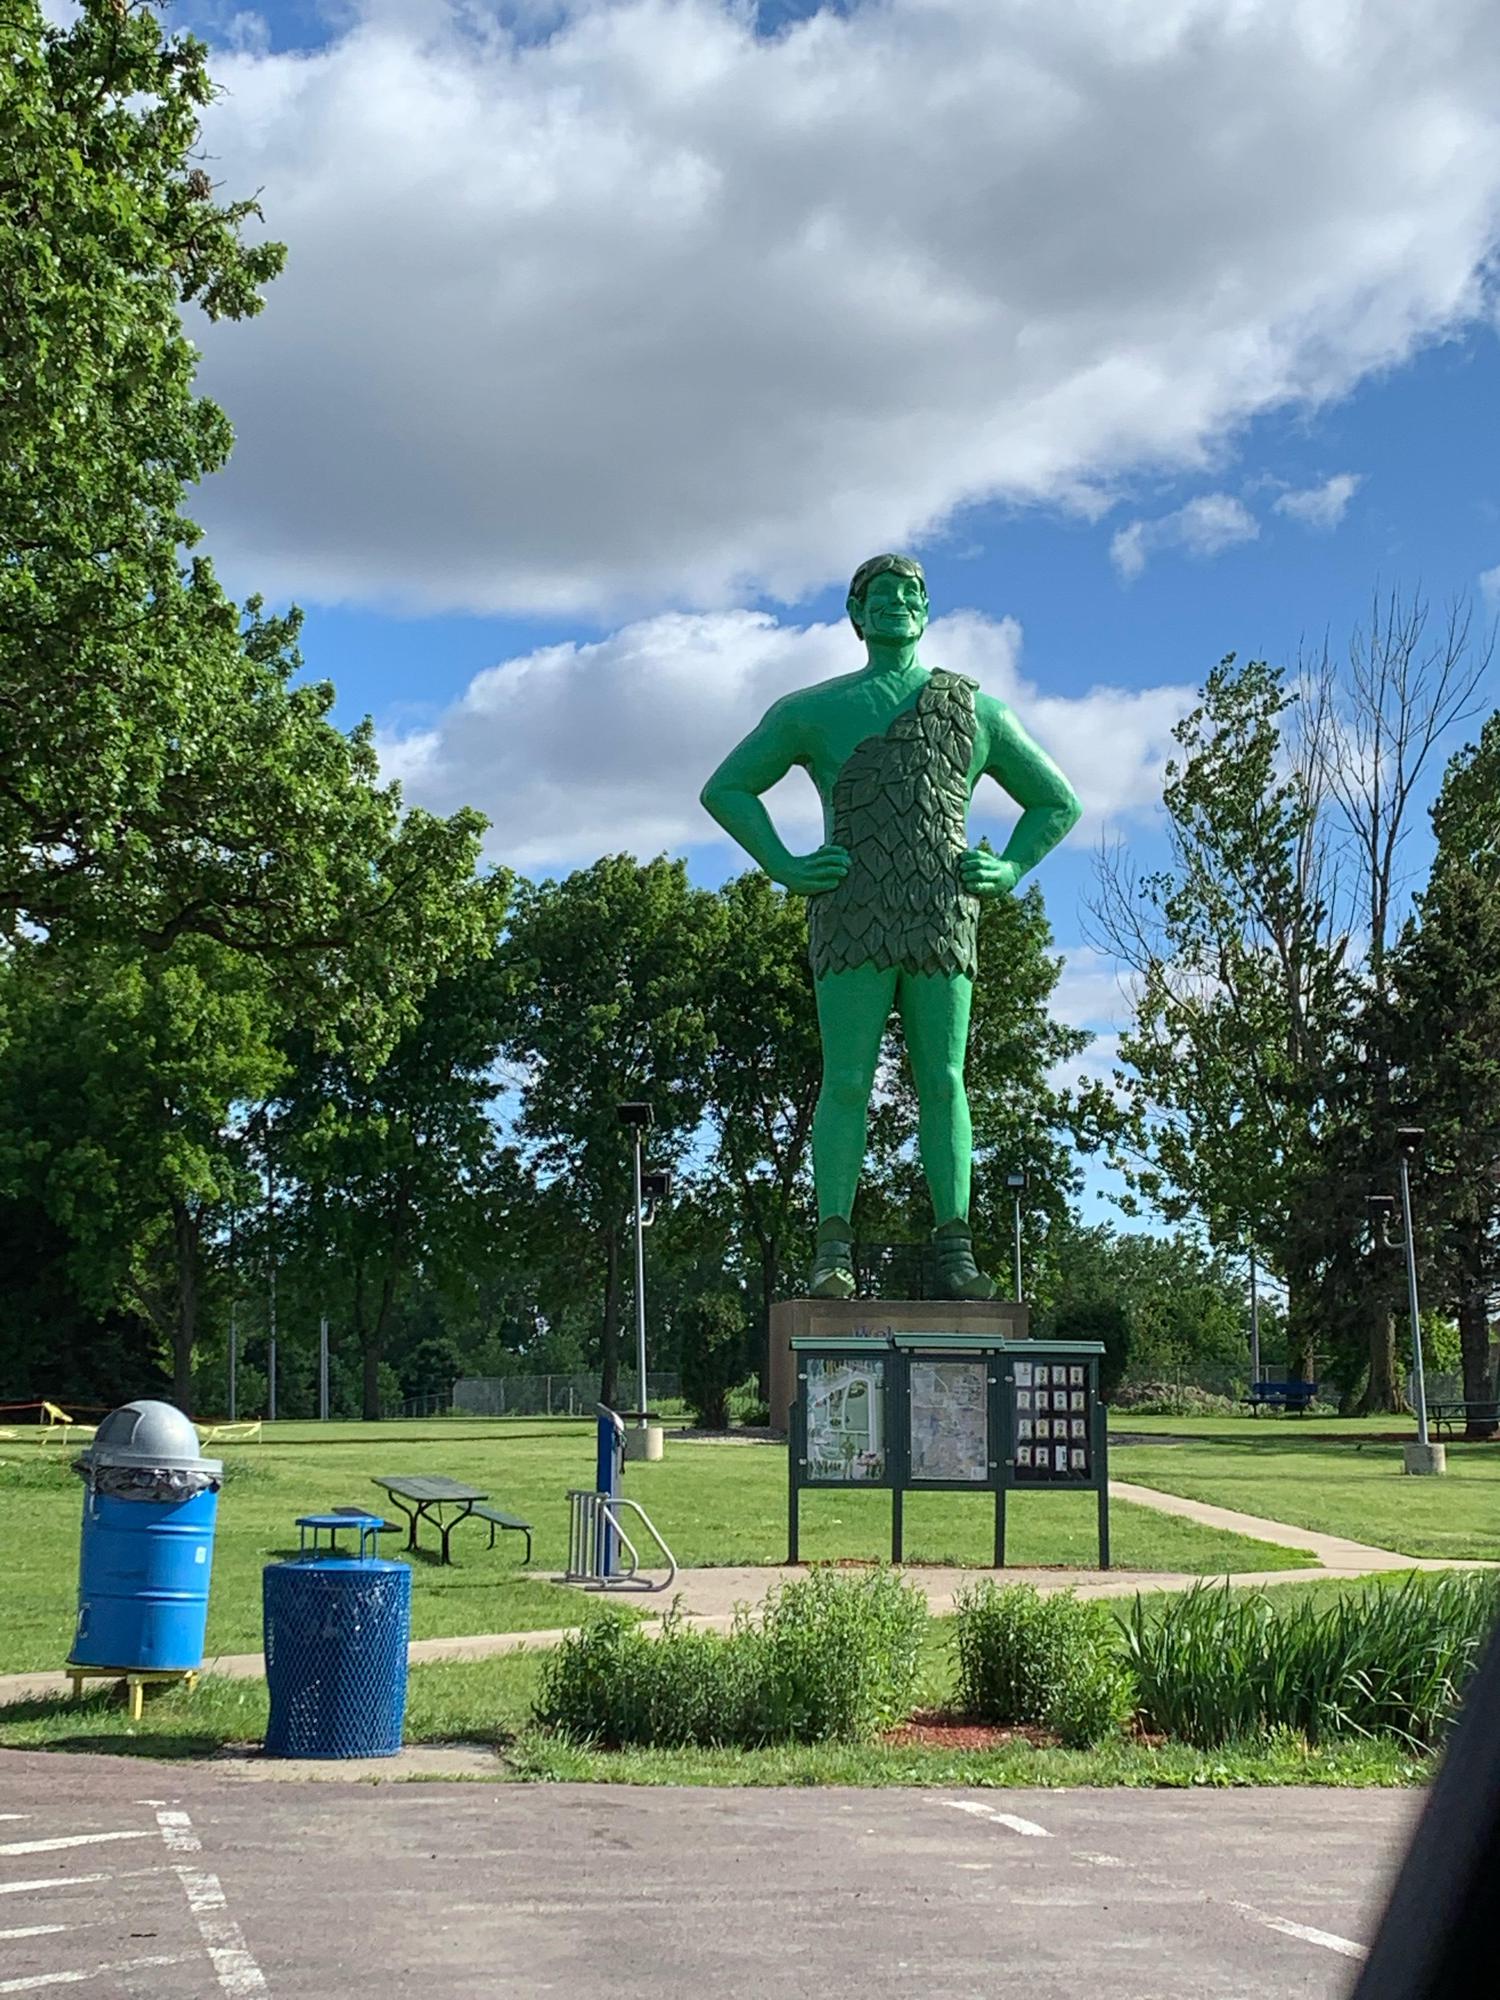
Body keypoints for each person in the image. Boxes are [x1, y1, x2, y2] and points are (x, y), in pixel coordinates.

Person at [700, 553, 1080, 1299]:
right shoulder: (811, 710)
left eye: (911, 593)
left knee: (944, 1078)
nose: (897, 603)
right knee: (846, 1080)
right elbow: (728, 788)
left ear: (927, 610)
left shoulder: (975, 709)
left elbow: (1056, 800)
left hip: (942, 914)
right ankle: (831, 1249)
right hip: (851, 913)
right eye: (881, 594)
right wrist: (784, 864)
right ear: (856, 612)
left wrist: (1008, 868)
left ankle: (957, 1249)